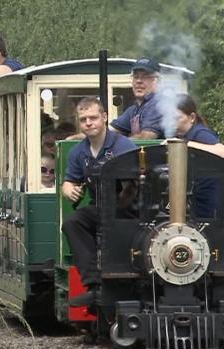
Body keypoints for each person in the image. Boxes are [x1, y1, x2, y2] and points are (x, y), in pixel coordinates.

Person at [61, 97, 137, 307]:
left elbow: (134, 185)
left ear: (104, 117)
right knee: (72, 222)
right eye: (83, 119)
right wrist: (69, 190)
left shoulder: (123, 146)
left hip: (129, 208)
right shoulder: (79, 152)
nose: (88, 123)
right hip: (101, 206)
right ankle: (94, 287)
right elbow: (68, 181)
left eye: (93, 117)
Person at [109, 57, 165, 139]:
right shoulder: (133, 110)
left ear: (157, 81)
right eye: (135, 76)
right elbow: (107, 132)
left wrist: (118, 144)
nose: (139, 81)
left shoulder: (158, 104)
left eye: (145, 77)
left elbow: (146, 137)